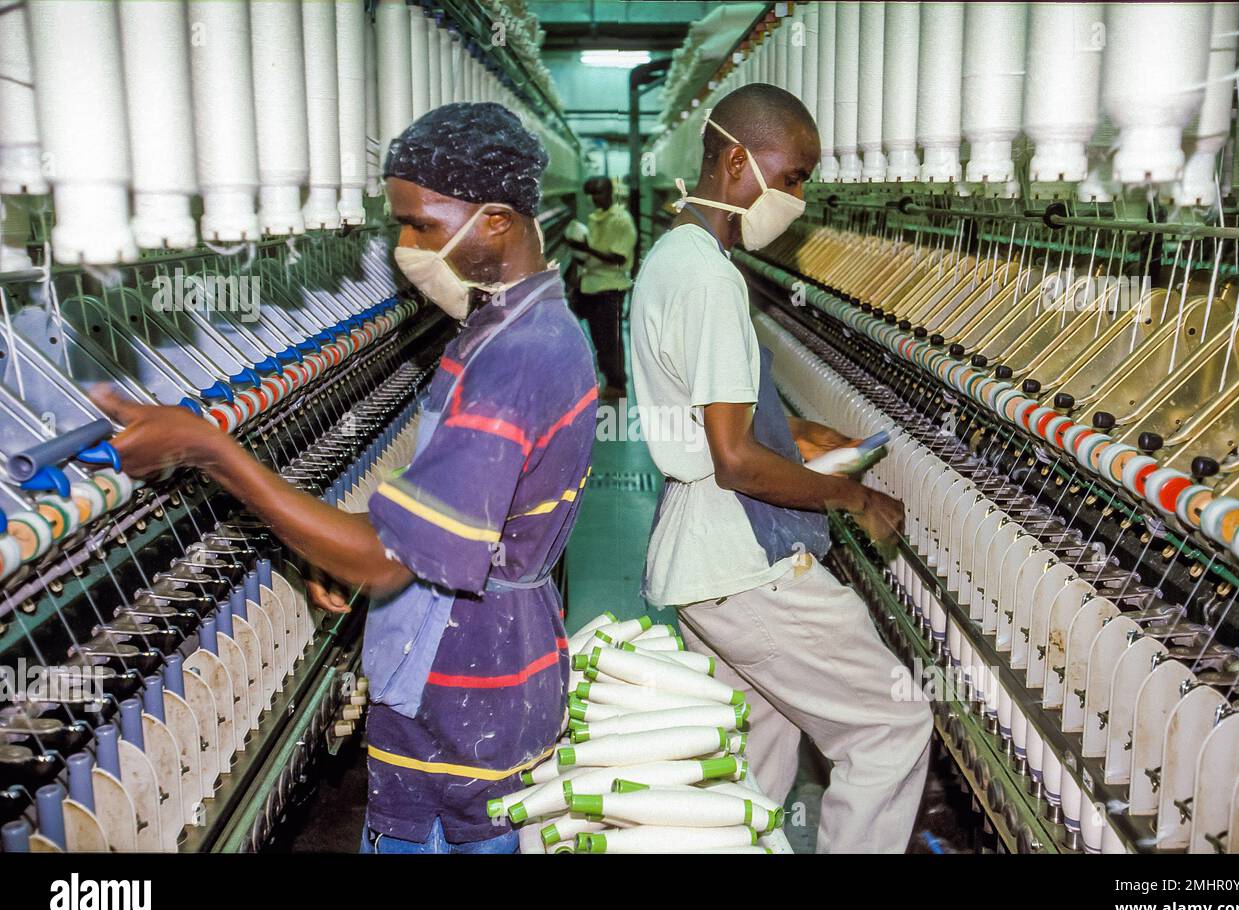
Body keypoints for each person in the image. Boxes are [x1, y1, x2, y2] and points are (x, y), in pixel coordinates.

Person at [93, 102, 597, 854]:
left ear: (495, 221)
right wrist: (360, 564)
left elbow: (385, 556)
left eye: (422, 224)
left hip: (460, 715)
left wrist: (213, 451)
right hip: (487, 672)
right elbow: (444, 534)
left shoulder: (514, 357)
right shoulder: (513, 326)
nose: (405, 246)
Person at [628, 83, 931, 854]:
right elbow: (733, 461)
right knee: (890, 725)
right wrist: (850, 493)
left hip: (700, 563)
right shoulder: (711, 280)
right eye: (793, 176)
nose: (798, 196)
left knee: (748, 768)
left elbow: (709, 415)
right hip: (744, 561)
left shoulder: (674, 255)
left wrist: (790, 426)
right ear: (737, 161)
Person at [567, 176, 636, 400]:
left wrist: (586, 248)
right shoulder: (596, 218)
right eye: (591, 193)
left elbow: (618, 258)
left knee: (611, 341)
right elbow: (592, 256)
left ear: (610, 193)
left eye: (598, 192)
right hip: (592, 285)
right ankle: (608, 378)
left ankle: (618, 385)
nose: (594, 198)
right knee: (599, 339)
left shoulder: (620, 220)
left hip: (610, 288)